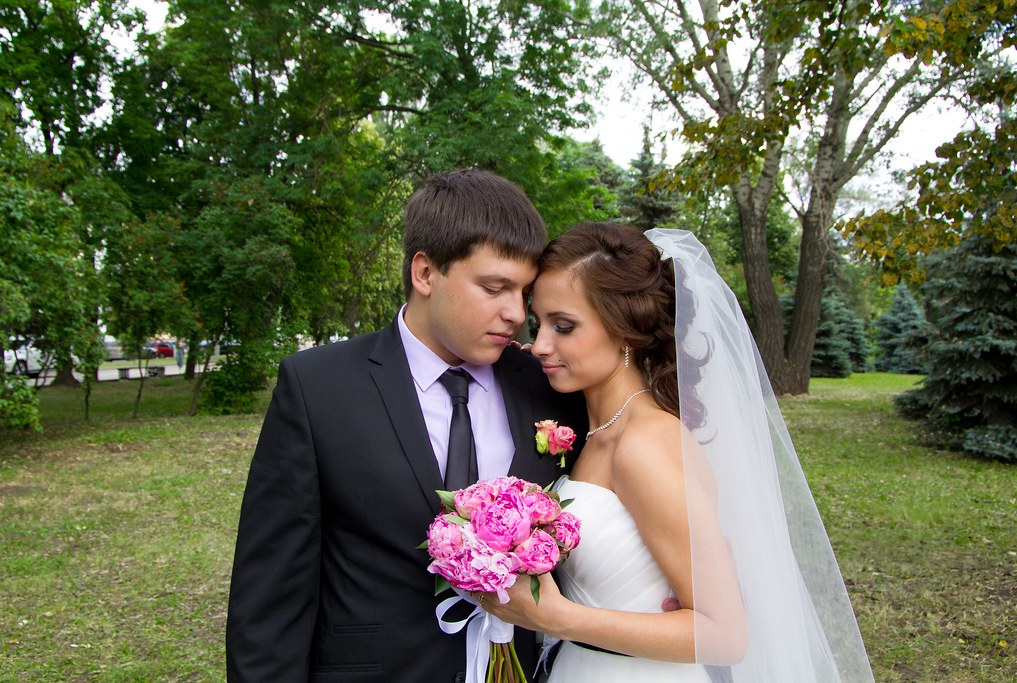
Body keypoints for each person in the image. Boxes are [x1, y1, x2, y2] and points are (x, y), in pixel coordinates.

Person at [225, 169, 587, 682]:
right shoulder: (318, 388)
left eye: (523, 292)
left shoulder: (548, 387)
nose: (515, 313)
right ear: (425, 273)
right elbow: (270, 596)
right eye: (493, 287)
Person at [478, 223, 874, 682]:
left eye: (564, 326)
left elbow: (725, 634)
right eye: (539, 322)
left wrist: (555, 618)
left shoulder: (644, 444)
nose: (541, 345)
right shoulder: (595, 430)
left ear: (624, 330)